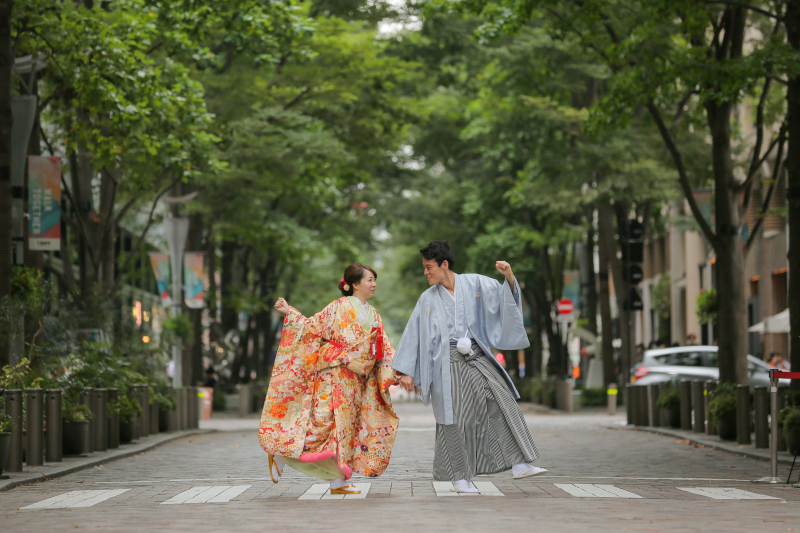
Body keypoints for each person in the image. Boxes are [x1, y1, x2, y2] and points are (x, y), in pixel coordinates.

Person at [392, 240, 544, 494]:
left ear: (444, 264)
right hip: (446, 362)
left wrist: (509, 276)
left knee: (501, 401)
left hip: (476, 354)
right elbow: (413, 333)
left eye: (429, 267)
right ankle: (460, 479)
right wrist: (406, 371)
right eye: (424, 268)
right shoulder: (427, 299)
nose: (426, 272)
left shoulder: (475, 283)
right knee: (455, 418)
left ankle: (519, 463)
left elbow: (503, 300)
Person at [258, 264, 399, 496]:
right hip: (333, 374)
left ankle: (338, 481)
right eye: (369, 280)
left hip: (356, 380)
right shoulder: (338, 306)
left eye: (375, 280)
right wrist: (289, 312)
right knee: (323, 426)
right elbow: (311, 328)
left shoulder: (374, 314)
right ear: (354, 284)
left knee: (346, 431)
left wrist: (400, 370)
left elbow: (383, 347)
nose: (374, 284)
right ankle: (282, 450)